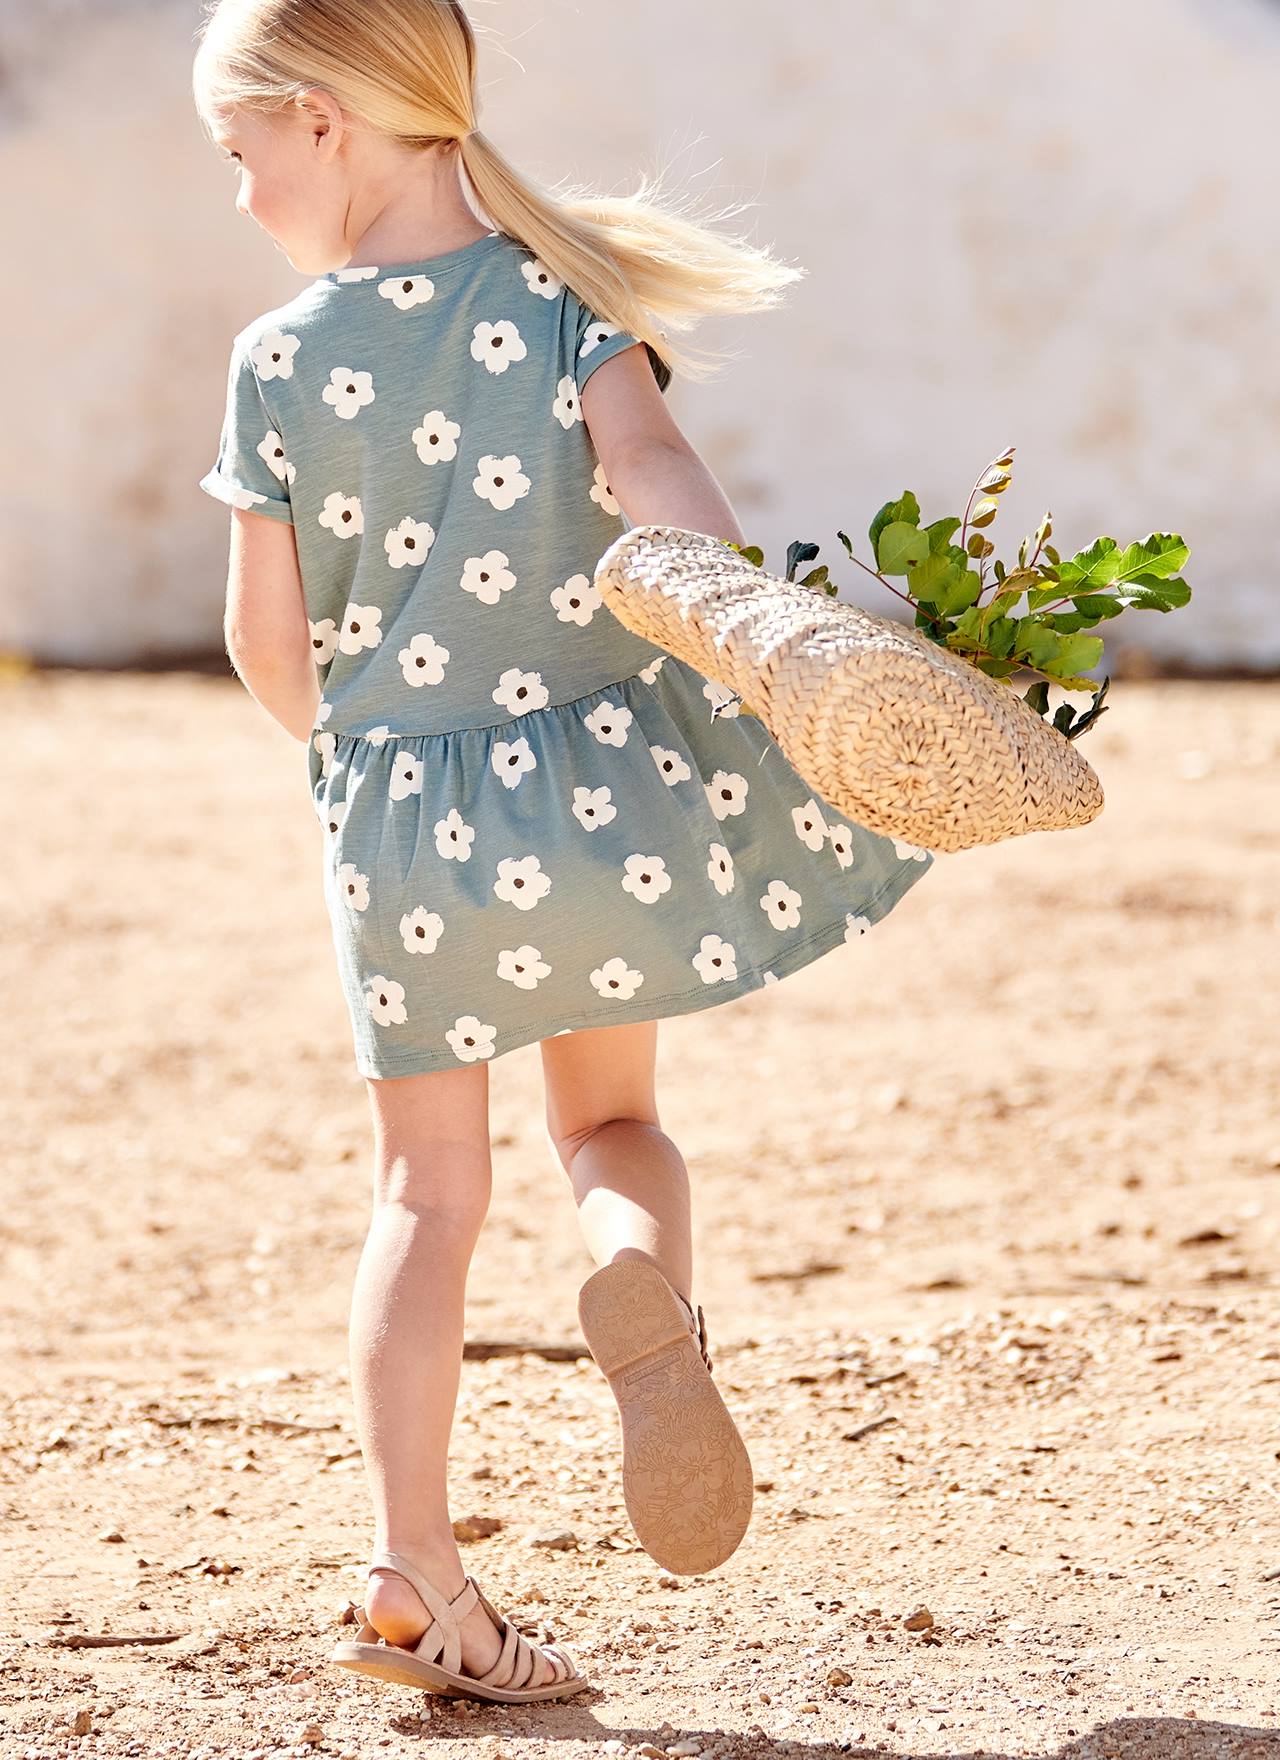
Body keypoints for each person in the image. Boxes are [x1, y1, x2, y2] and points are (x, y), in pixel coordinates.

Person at [192, 0, 936, 1706]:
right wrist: (759, 637)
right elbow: (663, 479)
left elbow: (266, 650)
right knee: (611, 1122)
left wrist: (366, 762)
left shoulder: (280, 357)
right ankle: (633, 1287)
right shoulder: (559, 295)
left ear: (322, 124)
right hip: (596, 792)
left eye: (238, 156)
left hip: (401, 822)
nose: (236, 196)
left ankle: (410, 1578)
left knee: (423, 1194)